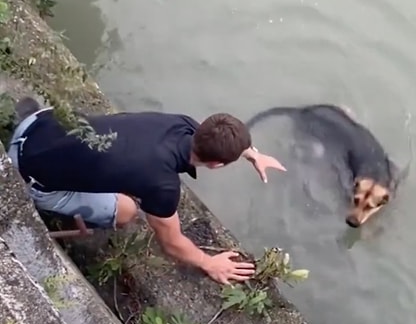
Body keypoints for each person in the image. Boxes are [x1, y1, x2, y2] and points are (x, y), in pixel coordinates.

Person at [6, 98, 286, 285]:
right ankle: (55, 208)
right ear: (215, 165)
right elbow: (172, 243)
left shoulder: (180, 123)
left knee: (114, 157)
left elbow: (215, 136)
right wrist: (208, 262)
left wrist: (252, 154)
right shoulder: (163, 186)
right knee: (128, 210)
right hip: (26, 175)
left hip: (35, 125)